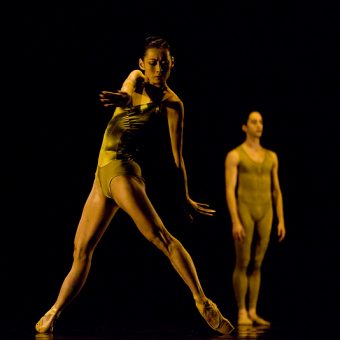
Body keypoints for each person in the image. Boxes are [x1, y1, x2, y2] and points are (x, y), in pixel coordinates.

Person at [35, 36, 234, 335]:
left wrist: (185, 197)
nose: (158, 68)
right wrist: (122, 98)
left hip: (122, 172)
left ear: (171, 65)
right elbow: (127, 93)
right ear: (142, 63)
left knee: (160, 237)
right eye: (152, 62)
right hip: (100, 176)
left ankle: (203, 301)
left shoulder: (172, 104)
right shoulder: (136, 78)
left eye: (163, 63)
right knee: (81, 251)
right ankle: (54, 312)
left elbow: (177, 159)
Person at [224, 110, 286, 326]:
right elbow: (230, 190)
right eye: (254, 121)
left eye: (261, 121)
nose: (259, 125)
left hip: (266, 212)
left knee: (258, 263)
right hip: (245, 211)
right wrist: (235, 220)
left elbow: (277, 190)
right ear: (245, 126)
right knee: (243, 261)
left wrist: (281, 219)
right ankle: (241, 310)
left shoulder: (272, 156)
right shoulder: (235, 155)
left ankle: (252, 310)